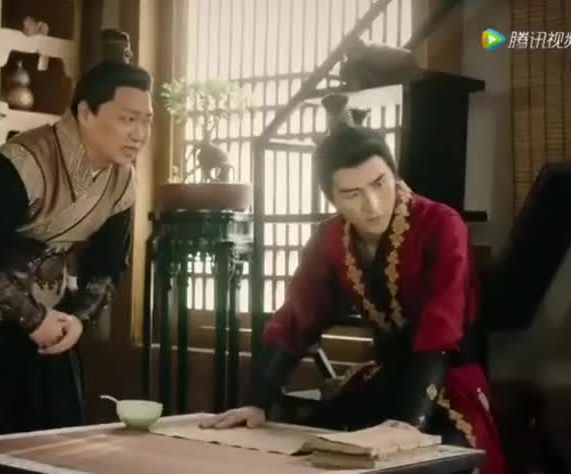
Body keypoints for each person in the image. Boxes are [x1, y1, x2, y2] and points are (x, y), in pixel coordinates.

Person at [200, 125, 506, 474]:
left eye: (379, 183)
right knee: (313, 452)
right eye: (352, 193)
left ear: (395, 176)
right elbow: (295, 319)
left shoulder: (442, 224)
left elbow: (442, 325)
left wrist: (409, 424)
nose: (372, 204)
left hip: (446, 384)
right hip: (384, 379)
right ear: (332, 198)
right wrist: (257, 402)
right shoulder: (329, 238)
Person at [0, 59, 153, 460]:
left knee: (54, 448)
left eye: (146, 121)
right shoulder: (21, 163)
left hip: (52, 327)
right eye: (128, 119)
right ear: (86, 113)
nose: (139, 134)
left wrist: (78, 320)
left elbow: (107, 266)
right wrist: (33, 319)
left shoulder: (122, 181)